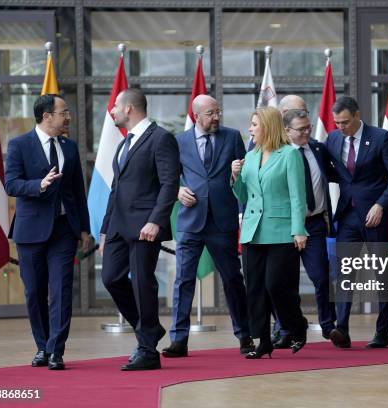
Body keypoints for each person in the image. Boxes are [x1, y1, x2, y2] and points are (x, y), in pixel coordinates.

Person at [162, 95, 253, 358]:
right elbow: (167, 176)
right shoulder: (179, 142)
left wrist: (237, 174)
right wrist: (178, 190)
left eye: (218, 112)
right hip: (190, 220)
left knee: (233, 279)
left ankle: (244, 335)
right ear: (197, 115)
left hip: (222, 221)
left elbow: (244, 178)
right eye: (211, 113)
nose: (217, 117)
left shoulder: (232, 137)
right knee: (183, 280)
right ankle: (178, 340)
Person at [4, 94, 90, 370]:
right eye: (63, 112)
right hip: (30, 230)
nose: (68, 117)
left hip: (64, 229)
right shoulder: (19, 145)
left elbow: (78, 191)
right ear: (46, 116)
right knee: (35, 292)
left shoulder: (70, 147)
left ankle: (56, 350)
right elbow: (11, 184)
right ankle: (41, 346)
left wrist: (85, 228)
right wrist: (39, 185)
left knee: (62, 290)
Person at [100, 88, 180, 370]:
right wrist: (105, 228)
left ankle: (147, 350)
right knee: (110, 278)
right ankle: (149, 327)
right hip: (119, 227)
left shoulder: (161, 138)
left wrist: (156, 221)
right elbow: (116, 189)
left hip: (146, 226)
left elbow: (170, 183)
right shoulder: (125, 143)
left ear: (129, 108)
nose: (112, 112)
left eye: (115, 107)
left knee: (142, 283)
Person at [324, 95, 388, 349]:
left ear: (357, 115)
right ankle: (342, 329)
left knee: (382, 273)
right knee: (345, 272)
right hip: (348, 215)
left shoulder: (380, 137)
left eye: (345, 122)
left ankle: (383, 332)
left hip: (376, 217)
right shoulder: (333, 138)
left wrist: (381, 204)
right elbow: (332, 172)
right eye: (337, 122)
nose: (340, 127)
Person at [231, 106, 308, 359]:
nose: (250, 129)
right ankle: (263, 341)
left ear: (268, 126)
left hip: (282, 230)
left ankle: (297, 325)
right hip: (253, 231)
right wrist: (235, 178)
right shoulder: (250, 156)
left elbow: (298, 197)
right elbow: (244, 197)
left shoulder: (290, 155)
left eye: (254, 124)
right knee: (254, 289)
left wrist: (299, 230)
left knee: (276, 285)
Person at [269, 108, 337, 349]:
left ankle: (329, 326)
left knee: (321, 276)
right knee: (282, 282)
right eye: (301, 129)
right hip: (285, 226)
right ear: (286, 131)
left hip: (315, 224)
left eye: (308, 127)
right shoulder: (277, 154)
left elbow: (335, 175)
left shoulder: (318, 149)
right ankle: (287, 328)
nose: (307, 132)